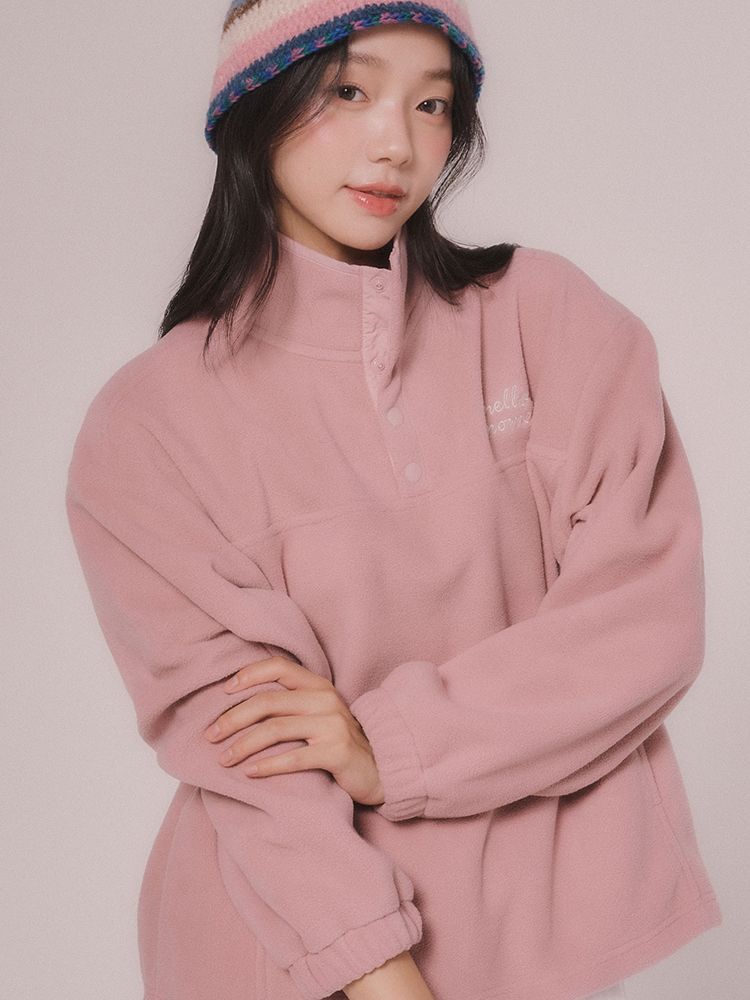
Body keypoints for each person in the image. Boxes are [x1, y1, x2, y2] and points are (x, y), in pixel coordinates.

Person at [64, 3, 722, 999]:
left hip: (541, 941)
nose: (397, 145)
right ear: (255, 102)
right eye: (350, 91)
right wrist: (382, 977)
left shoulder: (546, 319)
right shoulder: (149, 422)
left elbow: (644, 620)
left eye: (432, 105)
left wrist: (394, 746)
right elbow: (249, 756)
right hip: (294, 951)